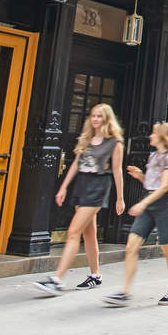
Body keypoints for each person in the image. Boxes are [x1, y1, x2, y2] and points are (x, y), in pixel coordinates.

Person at [33, 103, 126, 295]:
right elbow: (76, 164)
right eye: (93, 116)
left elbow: (117, 171)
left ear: (107, 119)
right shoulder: (87, 138)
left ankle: (57, 279)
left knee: (73, 231)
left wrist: (120, 198)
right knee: (88, 233)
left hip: (98, 187)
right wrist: (64, 187)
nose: (95, 119)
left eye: (99, 116)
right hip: (81, 185)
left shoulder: (115, 143)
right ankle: (95, 275)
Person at [105, 121, 168, 307]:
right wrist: (141, 176)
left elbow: (164, 186)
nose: (150, 136)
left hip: (164, 206)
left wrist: (142, 204)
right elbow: (152, 183)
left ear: (164, 137)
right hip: (149, 204)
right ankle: (124, 292)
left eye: (154, 134)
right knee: (131, 246)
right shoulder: (153, 155)